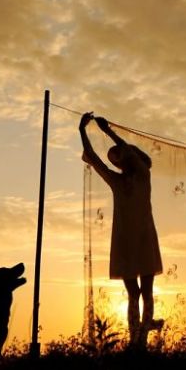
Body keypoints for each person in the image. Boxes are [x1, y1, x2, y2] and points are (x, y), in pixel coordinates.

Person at [79, 112, 164, 348]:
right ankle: (137, 337)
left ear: (128, 158)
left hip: (141, 240)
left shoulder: (142, 175)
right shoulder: (119, 181)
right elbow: (95, 159)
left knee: (144, 292)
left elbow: (125, 152)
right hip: (128, 242)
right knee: (136, 294)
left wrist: (106, 132)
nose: (115, 159)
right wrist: (83, 131)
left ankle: (141, 338)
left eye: (117, 156)